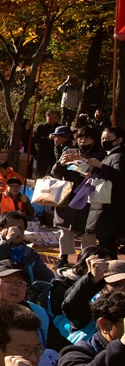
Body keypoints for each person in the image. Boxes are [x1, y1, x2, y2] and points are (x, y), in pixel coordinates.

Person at [50, 125, 102, 268]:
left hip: (89, 196)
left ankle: (86, 260)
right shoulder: (69, 151)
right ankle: (64, 258)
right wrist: (61, 163)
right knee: (65, 229)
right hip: (68, 194)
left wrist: (87, 166)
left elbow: (104, 174)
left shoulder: (100, 154)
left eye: (87, 138)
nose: (83, 141)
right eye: (80, 137)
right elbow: (56, 173)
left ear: (94, 139)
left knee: (88, 231)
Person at [84, 126, 125, 251]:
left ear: (118, 140)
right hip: (103, 204)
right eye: (102, 138)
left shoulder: (119, 156)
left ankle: (111, 267)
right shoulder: (109, 155)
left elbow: (119, 176)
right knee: (104, 242)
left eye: (108, 138)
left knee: (107, 243)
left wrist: (100, 165)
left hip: (111, 206)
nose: (104, 140)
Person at [0, 211, 54, 282]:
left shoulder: (29, 253)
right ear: (0, 230)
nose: (17, 232)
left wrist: (57, 283)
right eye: (12, 228)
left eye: (20, 228)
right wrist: (8, 240)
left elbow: (45, 274)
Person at [31, 110, 60, 177]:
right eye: (51, 118)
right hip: (43, 153)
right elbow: (34, 139)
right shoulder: (40, 127)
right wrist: (47, 138)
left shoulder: (59, 127)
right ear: (46, 117)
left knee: (56, 174)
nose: (53, 120)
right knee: (40, 174)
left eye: (55, 118)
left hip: (55, 154)